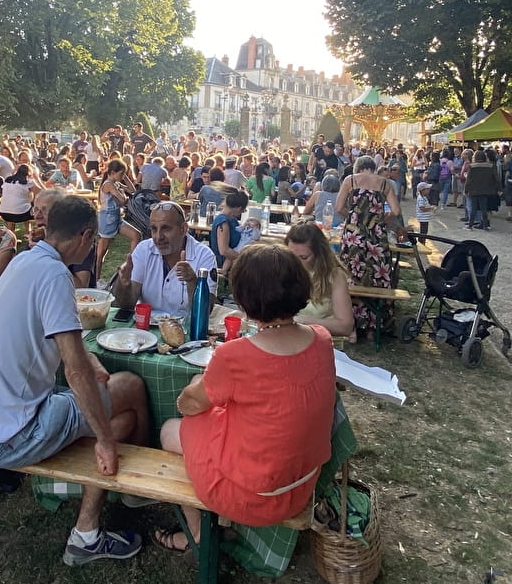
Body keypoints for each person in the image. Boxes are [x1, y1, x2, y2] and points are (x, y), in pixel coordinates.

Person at [0, 195, 151, 566]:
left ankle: (90, 529)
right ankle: (132, 495)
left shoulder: (25, 261)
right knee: (130, 387)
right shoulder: (56, 275)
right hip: (10, 435)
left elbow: (65, 347)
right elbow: (74, 373)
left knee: (120, 419)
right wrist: (105, 442)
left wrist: (88, 358)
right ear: (87, 236)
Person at [153, 244, 336, 552]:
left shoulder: (235, 355)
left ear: (242, 298)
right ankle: (215, 523)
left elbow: (188, 405)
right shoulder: (322, 339)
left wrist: (200, 382)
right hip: (302, 485)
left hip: (252, 497)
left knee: (170, 430)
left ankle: (197, 532)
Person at [112, 201, 217, 318]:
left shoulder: (204, 256)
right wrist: (124, 285)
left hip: (186, 332)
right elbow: (127, 305)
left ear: (183, 229)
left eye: (165, 229)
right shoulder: (144, 249)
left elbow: (205, 312)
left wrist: (192, 282)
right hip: (145, 330)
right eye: (153, 229)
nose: (158, 237)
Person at [336, 155, 400, 339]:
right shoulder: (384, 183)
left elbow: (339, 207)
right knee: (376, 277)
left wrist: (352, 217)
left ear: (358, 168)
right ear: (373, 167)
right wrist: (380, 221)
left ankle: (353, 325)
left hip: (353, 235)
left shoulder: (351, 180)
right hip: (376, 236)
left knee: (352, 276)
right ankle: (373, 327)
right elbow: (396, 211)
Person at [285, 221, 354, 337]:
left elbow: (345, 326)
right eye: (291, 256)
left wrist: (304, 322)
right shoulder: (282, 269)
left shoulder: (334, 276)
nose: (296, 263)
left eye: (303, 257)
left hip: (318, 339)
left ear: (318, 254)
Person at [31, 189, 95, 288]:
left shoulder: (81, 242)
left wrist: (46, 255)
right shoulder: (36, 241)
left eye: (45, 210)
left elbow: (81, 287)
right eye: (35, 210)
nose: (38, 215)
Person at [0, 162, 43, 239]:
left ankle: (11, 235)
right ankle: (29, 232)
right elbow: (43, 193)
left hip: (4, 213)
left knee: (20, 204)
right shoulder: (28, 182)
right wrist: (37, 179)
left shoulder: (7, 181)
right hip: (21, 214)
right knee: (29, 207)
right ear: (29, 173)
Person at [209, 191, 248, 274]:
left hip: (233, 260)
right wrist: (245, 259)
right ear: (238, 208)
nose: (242, 212)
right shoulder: (223, 222)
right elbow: (224, 250)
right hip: (223, 263)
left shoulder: (232, 219)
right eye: (243, 210)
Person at [464, 150, 499, 230]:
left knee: (473, 208)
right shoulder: (490, 166)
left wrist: (466, 190)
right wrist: (498, 189)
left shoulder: (472, 166)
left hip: (474, 189)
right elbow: (496, 179)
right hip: (486, 189)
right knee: (484, 208)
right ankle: (485, 225)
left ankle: (470, 225)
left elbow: (468, 180)